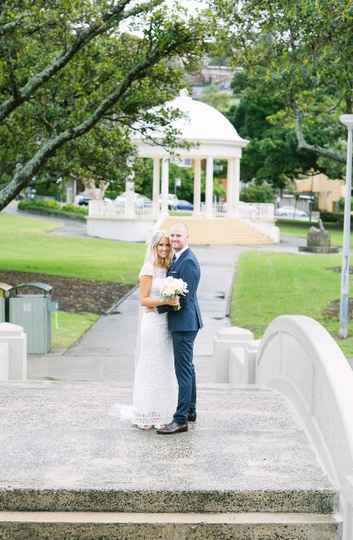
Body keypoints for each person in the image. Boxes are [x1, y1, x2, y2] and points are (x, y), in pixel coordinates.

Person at [156, 222, 202, 435]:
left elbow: (185, 297)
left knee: (182, 370)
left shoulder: (189, 261)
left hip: (184, 323)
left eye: (178, 235)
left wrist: (157, 305)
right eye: (172, 235)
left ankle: (180, 419)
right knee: (188, 368)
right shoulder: (177, 258)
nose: (174, 239)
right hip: (183, 322)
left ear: (187, 237)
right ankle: (191, 410)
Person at [131, 230, 179, 430]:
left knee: (164, 366)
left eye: (167, 245)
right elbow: (143, 300)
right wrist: (166, 301)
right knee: (149, 364)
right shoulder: (148, 268)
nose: (164, 248)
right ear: (154, 247)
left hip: (166, 323)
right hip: (151, 323)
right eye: (161, 245)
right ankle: (145, 412)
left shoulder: (168, 268)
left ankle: (162, 412)